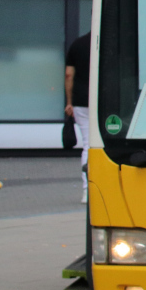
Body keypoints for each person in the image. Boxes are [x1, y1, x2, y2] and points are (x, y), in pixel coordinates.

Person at [65, 33, 91, 202]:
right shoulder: (111, 40)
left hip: (81, 101)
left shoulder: (78, 43)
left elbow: (69, 75)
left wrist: (69, 102)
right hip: (106, 101)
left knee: (88, 144)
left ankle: (87, 191)